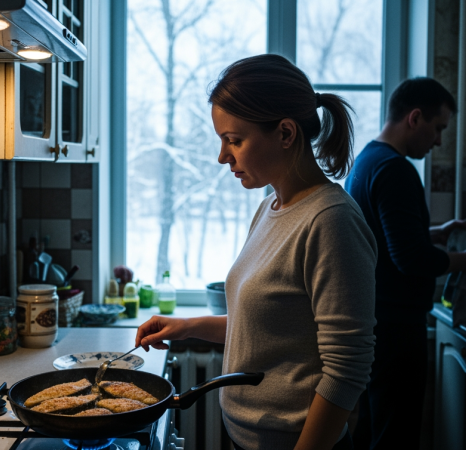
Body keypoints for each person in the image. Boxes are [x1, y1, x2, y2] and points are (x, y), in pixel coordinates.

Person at [135, 54, 377, 450]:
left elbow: (347, 370)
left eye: (234, 140)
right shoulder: (270, 208)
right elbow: (270, 325)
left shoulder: (331, 221)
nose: (222, 156)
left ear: (285, 133)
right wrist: (188, 326)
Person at [344, 77, 466, 450]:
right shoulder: (396, 169)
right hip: (396, 328)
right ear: (414, 118)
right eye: (438, 128)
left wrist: (434, 232)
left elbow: (379, 236)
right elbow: (409, 258)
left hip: (372, 321)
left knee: (372, 429)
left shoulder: (367, 160)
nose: (439, 141)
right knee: (395, 436)